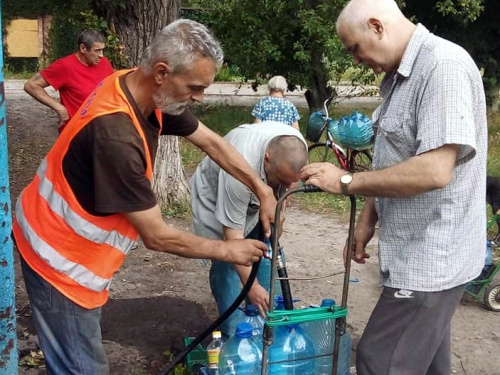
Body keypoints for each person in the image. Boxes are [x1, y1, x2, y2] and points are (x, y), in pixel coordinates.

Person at [12, 19, 277, 375]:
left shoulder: (138, 87)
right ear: (162, 72)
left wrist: (262, 189)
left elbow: (213, 142)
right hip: (58, 259)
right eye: (195, 87)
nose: (199, 97)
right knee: (82, 368)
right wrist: (230, 250)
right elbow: (156, 235)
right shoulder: (117, 137)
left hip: (68, 246)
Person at [301, 0, 487, 374]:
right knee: (427, 364)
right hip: (415, 253)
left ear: (376, 26)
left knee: (379, 361)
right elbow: (395, 155)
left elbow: (435, 170)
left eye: (355, 48)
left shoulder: (442, 67)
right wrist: (368, 218)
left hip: (432, 259)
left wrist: (348, 181)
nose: (355, 60)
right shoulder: (402, 77)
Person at [190, 122, 308, 337]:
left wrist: (278, 214)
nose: (288, 188)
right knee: (227, 260)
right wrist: (251, 287)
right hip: (216, 194)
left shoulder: (294, 148)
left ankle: (269, 329)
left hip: (256, 192)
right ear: (267, 159)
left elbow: (285, 189)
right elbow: (233, 238)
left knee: (263, 250)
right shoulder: (238, 174)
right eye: (282, 181)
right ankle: (234, 335)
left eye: (292, 184)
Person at [24, 29, 114, 134]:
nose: (101, 55)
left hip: (101, 132)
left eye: (102, 50)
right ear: (83, 48)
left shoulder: (104, 63)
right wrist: (59, 108)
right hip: (75, 134)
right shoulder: (65, 66)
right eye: (97, 50)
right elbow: (31, 85)